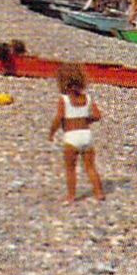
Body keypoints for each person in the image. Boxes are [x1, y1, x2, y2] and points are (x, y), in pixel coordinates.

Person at [49, 63, 105, 202]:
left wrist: (52, 132)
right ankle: (99, 193)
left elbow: (59, 118)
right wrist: (85, 120)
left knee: (70, 169)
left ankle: (71, 196)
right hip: (86, 135)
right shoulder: (88, 98)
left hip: (71, 137)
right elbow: (98, 116)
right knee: (90, 167)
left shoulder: (64, 99)